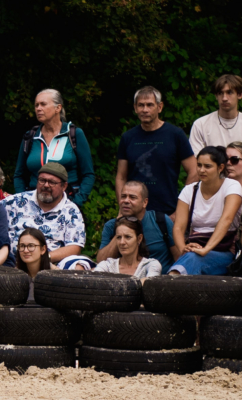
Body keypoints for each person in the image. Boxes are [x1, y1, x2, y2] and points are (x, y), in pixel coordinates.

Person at [116, 86, 197, 217]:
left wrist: (180, 210)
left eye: (149, 105)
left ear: (159, 107)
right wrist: (123, 207)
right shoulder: (128, 138)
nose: (145, 110)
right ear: (135, 108)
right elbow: (121, 177)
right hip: (134, 214)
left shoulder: (175, 135)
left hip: (168, 212)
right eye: (141, 105)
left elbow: (194, 171)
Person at [13, 89, 96, 207]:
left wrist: (76, 203)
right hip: (33, 204)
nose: (38, 108)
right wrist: (23, 201)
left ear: (58, 108)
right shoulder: (30, 136)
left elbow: (88, 174)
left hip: (67, 202)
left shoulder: (73, 134)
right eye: (36, 105)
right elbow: (19, 175)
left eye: (43, 104)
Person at [168, 146, 242, 276]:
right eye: (199, 165)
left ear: (220, 168)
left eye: (207, 166)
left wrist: (206, 249)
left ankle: (167, 285)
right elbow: (178, 227)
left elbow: (226, 220)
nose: (202, 170)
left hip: (223, 251)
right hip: (194, 249)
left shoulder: (232, 186)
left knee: (193, 259)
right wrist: (183, 248)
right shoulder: (189, 190)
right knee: (191, 257)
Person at [3, 162, 87, 269]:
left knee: (79, 266)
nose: (46, 185)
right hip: (12, 262)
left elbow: (74, 247)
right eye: (42, 180)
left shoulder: (71, 211)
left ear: (64, 186)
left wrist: (42, 258)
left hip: (50, 265)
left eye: (52, 182)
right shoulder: (15, 202)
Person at [97, 181, 179, 271]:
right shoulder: (111, 226)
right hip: (123, 281)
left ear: (145, 202)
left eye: (132, 197)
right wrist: (120, 226)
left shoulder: (161, 221)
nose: (126, 201)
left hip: (159, 280)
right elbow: (101, 262)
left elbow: (178, 258)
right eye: (123, 196)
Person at [93, 216, 162, 279]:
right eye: (119, 237)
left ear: (139, 239)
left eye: (127, 237)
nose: (122, 242)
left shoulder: (150, 265)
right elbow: (94, 282)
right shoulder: (107, 266)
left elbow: (150, 284)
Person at [189, 74, 242, 153]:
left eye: (229, 92)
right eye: (220, 93)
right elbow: (197, 160)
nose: (224, 98)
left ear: (239, 94)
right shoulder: (201, 125)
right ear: (216, 96)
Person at [15, 228, 52, 302]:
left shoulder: (57, 276)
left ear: (43, 249)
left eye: (31, 246)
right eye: (22, 246)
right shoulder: (13, 276)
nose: (25, 250)